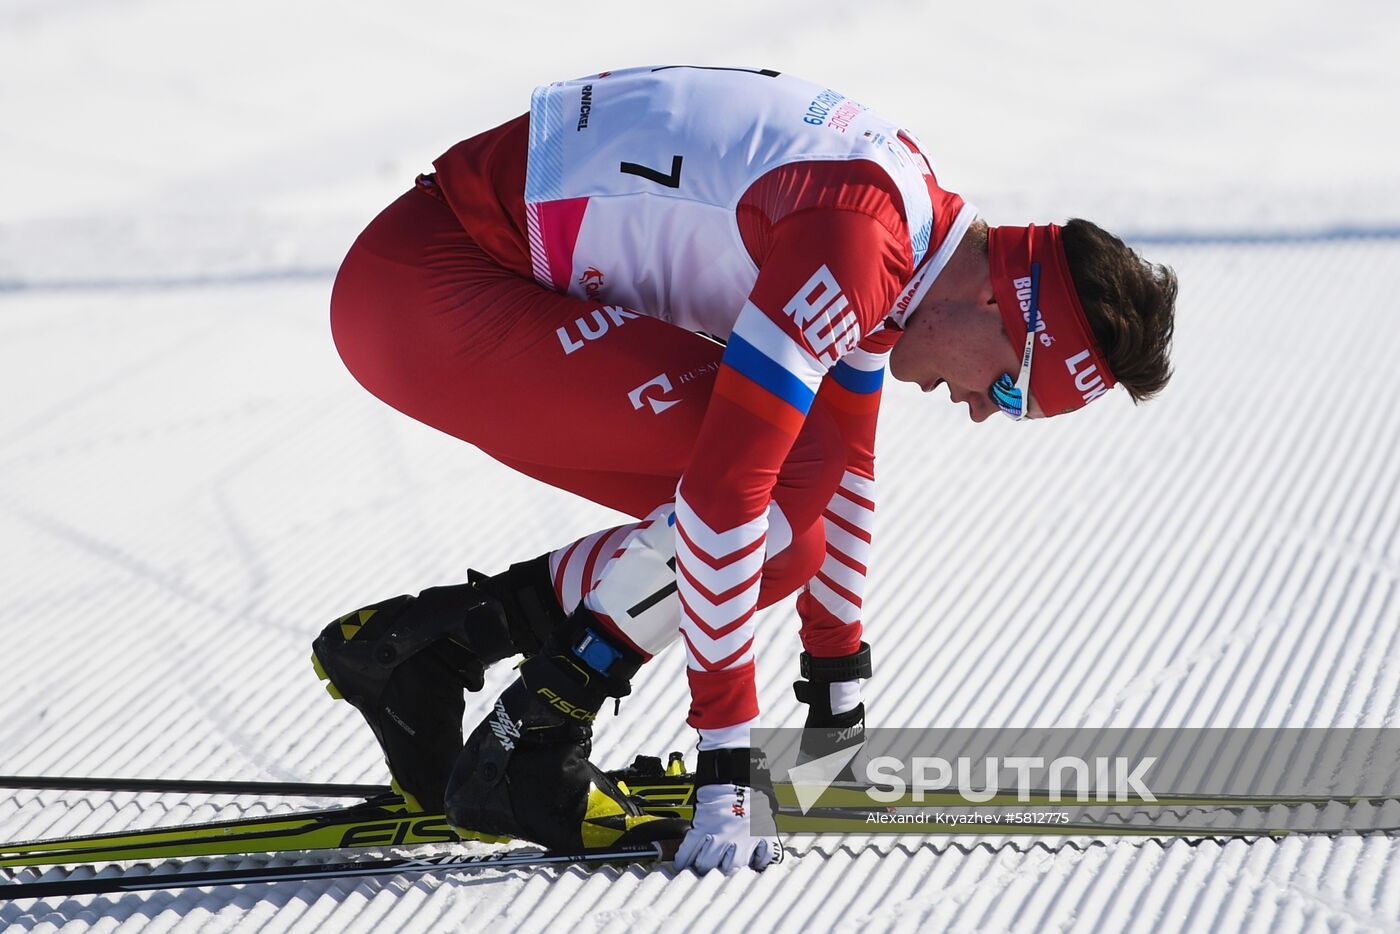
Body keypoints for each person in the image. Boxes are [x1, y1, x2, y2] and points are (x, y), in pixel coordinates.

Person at [310, 65, 1178, 875]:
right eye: (1012, 388)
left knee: (786, 536)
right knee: (772, 484)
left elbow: (849, 471)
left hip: (437, 283)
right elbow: (732, 489)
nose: (987, 410)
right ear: (999, 301)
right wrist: (728, 762)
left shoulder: (911, 235)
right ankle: (530, 738)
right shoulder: (861, 247)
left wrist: (836, 691)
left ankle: (427, 652)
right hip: (428, 290)